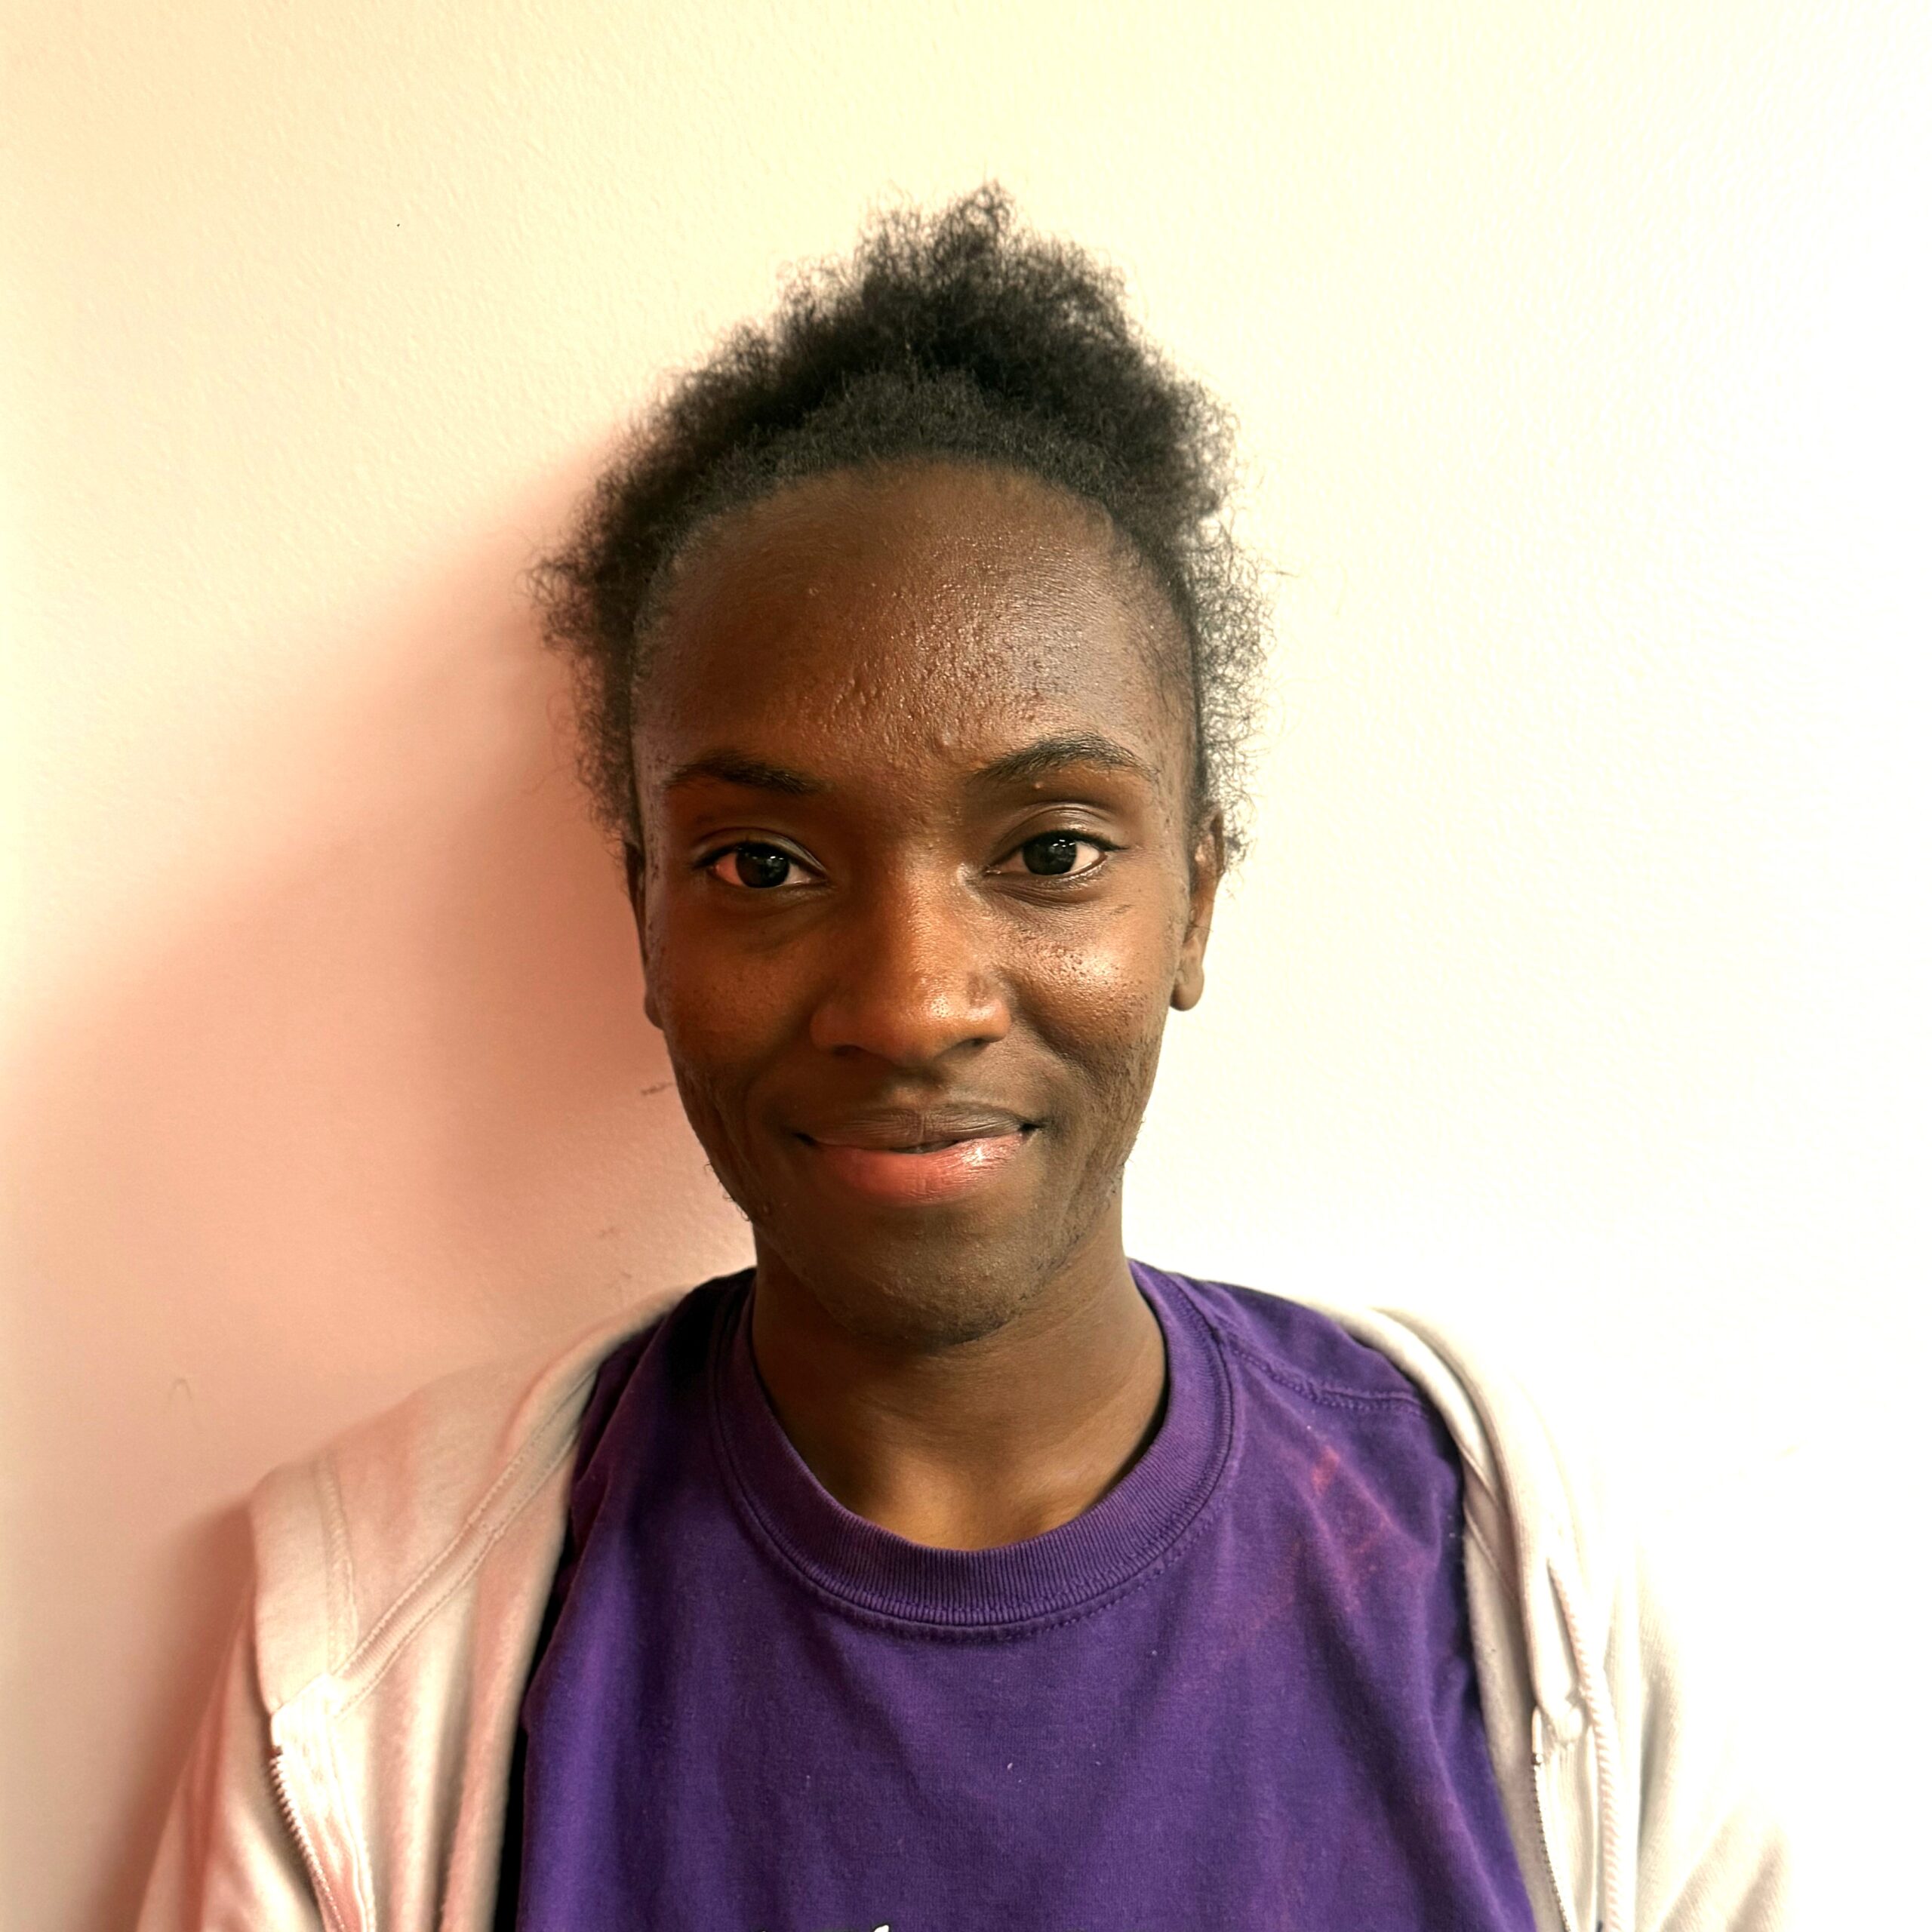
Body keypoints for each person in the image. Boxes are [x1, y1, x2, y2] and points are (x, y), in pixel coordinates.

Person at [139, 189, 1788, 1932]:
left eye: (1050, 849)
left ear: (1194, 902)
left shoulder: (1514, 1568)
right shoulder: (367, 1639)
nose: (913, 999)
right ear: (646, 918)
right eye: (761, 864)